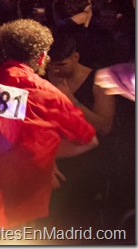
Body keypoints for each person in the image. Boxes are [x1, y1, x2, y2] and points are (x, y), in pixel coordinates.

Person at [0, 19, 99, 229]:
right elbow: (89, 140)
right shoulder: (48, 93)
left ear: (5, 51)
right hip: (19, 205)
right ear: (43, 56)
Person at [46, 32, 115, 230]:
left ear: (75, 57)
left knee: (80, 221)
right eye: (52, 64)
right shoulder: (45, 76)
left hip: (87, 163)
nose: (55, 70)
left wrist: (72, 101)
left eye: (61, 64)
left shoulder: (98, 80)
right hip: (54, 160)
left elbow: (105, 127)